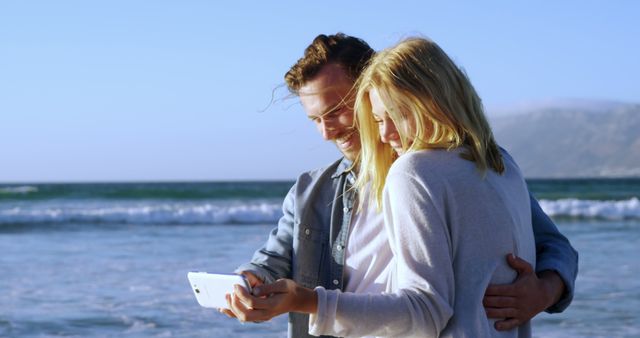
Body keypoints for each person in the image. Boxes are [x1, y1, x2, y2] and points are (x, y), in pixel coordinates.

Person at [224, 33, 578, 337]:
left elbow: (551, 244)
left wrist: (545, 290)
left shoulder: (471, 165)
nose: (327, 131)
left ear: (374, 87)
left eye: (336, 111)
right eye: (315, 119)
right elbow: (273, 259)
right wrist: (248, 282)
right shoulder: (312, 190)